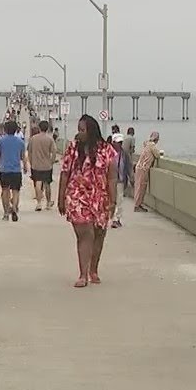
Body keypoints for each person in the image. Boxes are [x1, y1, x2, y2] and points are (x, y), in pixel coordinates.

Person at [57, 115, 117, 287]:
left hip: (100, 197)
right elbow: (64, 173)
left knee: (99, 234)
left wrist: (113, 201)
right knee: (85, 234)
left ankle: (93, 270)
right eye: (79, 129)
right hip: (77, 196)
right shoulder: (73, 149)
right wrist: (60, 197)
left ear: (91, 131)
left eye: (82, 130)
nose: (79, 133)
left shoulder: (106, 150)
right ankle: (83, 274)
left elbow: (112, 177)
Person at [0, 120, 28, 222]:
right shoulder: (20, 142)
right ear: (15, 130)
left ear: (5, 129)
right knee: (16, 191)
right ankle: (14, 207)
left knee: (5, 191)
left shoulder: (0, 141)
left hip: (4, 169)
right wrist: (25, 167)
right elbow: (23, 157)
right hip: (16, 170)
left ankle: (6, 213)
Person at [26, 119, 59, 211]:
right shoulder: (50, 139)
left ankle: (39, 203)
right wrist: (51, 161)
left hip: (36, 164)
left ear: (39, 128)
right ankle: (48, 203)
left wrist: (31, 161)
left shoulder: (33, 139)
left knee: (37, 182)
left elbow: (29, 151)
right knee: (47, 183)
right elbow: (54, 152)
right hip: (47, 165)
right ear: (47, 128)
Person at [133, 131, 162, 212]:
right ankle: (137, 205)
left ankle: (138, 204)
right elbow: (157, 155)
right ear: (156, 139)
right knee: (141, 187)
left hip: (139, 167)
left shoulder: (146, 144)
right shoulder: (152, 145)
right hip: (144, 168)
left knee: (138, 186)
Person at [110, 133, 130, 228]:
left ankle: (117, 219)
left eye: (121, 142)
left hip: (120, 180)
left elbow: (128, 166)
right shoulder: (109, 153)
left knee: (119, 200)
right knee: (112, 200)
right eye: (118, 142)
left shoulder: (124, 154)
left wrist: (131, 177)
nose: (120, 144)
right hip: (111, 181)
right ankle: (113, 218)